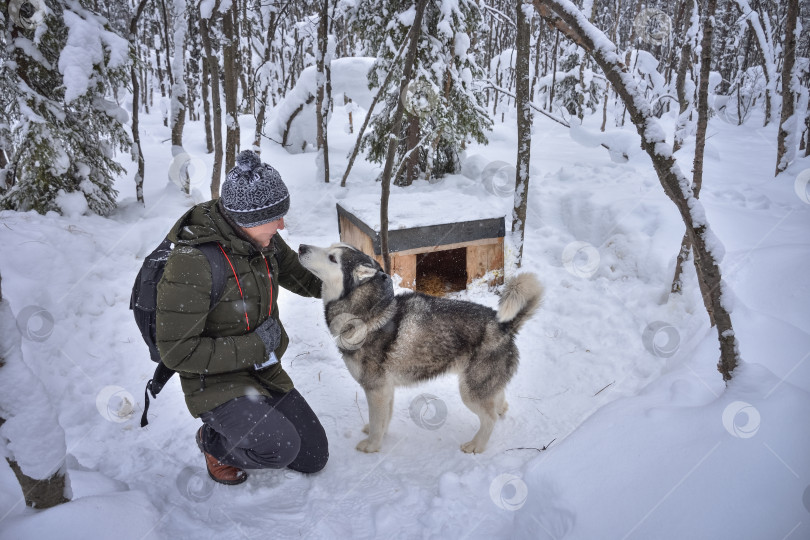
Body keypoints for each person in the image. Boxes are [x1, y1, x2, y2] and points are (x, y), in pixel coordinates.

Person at [156, 150, 327, 485]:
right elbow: (177, 352)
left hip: (262, 370)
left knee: (312, 456)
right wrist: (255, 345)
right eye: (275, 218)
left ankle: (254, 416)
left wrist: (354, 284)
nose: (282, 225)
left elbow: (304, 279)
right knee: (279, 449)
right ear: (246, 219)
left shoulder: (264, 241)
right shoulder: (193, 261)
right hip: (214, 382)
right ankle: (212, 442)